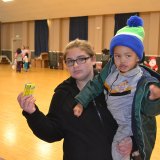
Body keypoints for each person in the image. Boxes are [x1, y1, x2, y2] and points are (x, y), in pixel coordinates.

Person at [17, 39, 132, 160]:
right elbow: (52, 133)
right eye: (70, 61)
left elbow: (136, 120)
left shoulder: (114, 86)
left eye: (81, 59)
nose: (75, 65)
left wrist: (132, 142)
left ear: (93, 59)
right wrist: (33, 113)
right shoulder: (62, 94)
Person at [73, 16, 160, 160]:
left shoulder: (142, 79)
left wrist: (154, 98)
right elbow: (95, 84)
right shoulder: (111, 71)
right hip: (114, 121)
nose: (122, 60)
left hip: (129, 125)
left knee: (118, 149)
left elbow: (148, 112)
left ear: (138, 57)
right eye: (117, 56)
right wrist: (81, 102)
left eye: (128, 56)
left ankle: (135, 153)